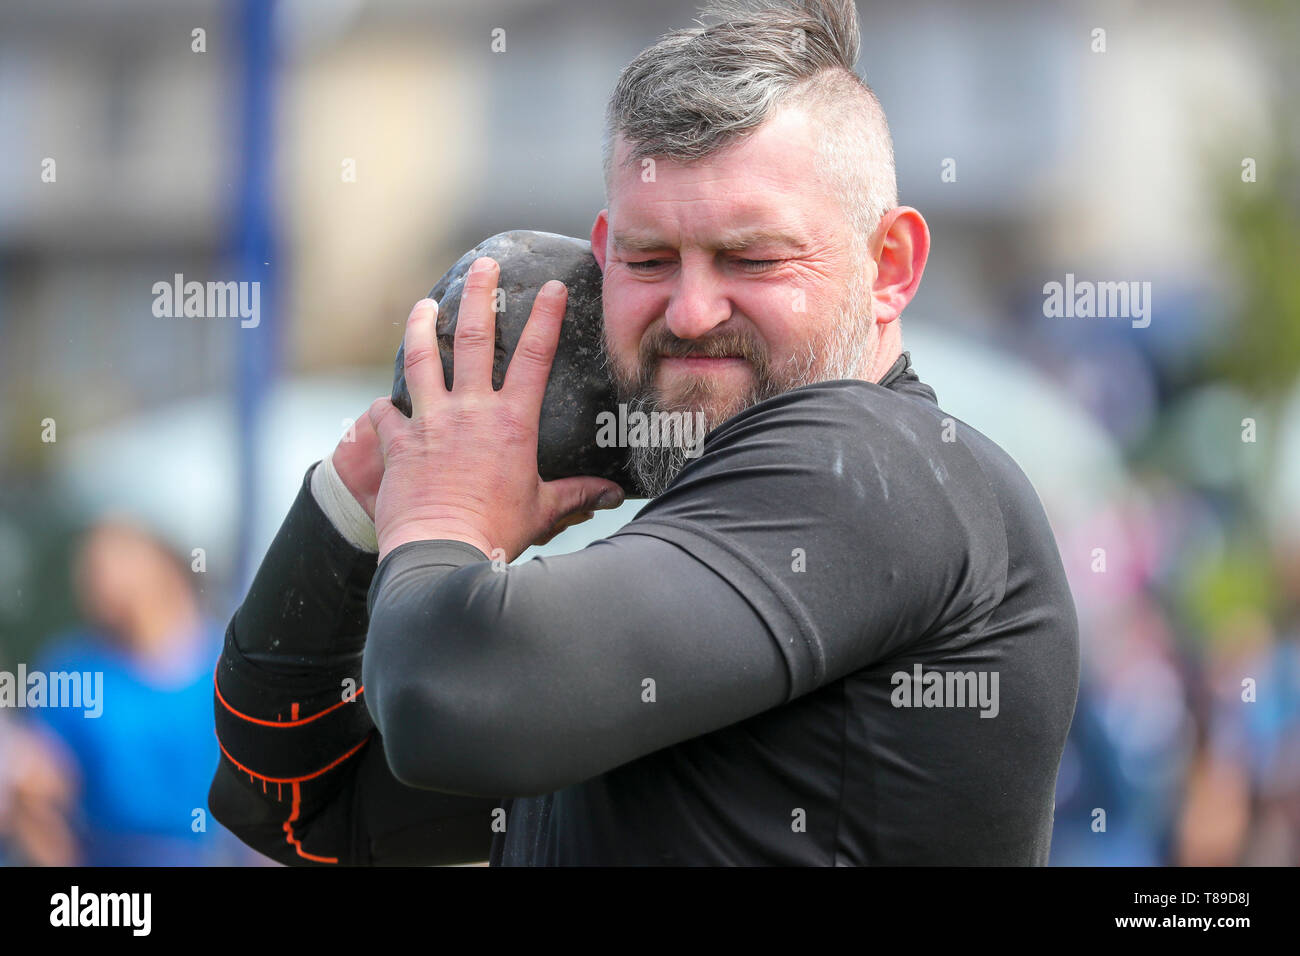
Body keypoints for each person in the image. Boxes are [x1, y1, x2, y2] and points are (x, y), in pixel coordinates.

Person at [210, 0, 1079, 865]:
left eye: (754, 258)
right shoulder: (686, 579)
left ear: (890, 266)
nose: (693, 314)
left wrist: (441, 515)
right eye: (649, 260)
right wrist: (359, 508)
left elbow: (450, 704)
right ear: (601, 257)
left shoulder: (880, 461)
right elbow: (298, 811)